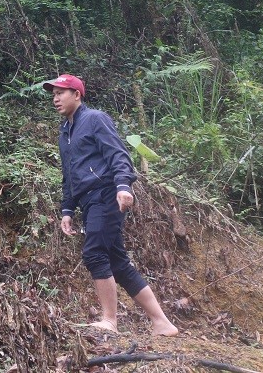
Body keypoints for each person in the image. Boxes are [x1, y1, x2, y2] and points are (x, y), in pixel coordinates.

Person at [43, 73, 178, 336]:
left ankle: (110, 321)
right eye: (53, 95)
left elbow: (118, 154)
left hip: (105, 194)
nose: (56, 99)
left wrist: (123, 186)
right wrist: (67, 209)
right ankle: (162, 323)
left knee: (94, 253)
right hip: (87, 201)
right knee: (117, 262)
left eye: (61, 93)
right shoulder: (64, 132)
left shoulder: (95, 119)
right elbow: (68, 174)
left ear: (77, 95)